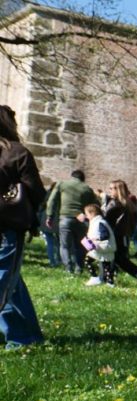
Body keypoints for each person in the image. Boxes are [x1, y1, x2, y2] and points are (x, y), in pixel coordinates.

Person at [0, 104, 48, 350]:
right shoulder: (17, 152)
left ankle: (25, 336)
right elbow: (37, 191)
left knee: (13, 282)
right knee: (4, 278)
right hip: (7, 225)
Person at [44, 168, 98, 274]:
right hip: (81, 220)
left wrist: (49, 216)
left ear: (72, 176)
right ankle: (79, 268)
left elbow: (51, 200)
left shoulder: (62, 184)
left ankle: (68, 268)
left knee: (64, 245)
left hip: (65, 218)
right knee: (81, 246)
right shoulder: (87, 188)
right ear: (83, 179)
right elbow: (95, 206)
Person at [102, 180, 137, 287]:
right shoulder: (128, 203)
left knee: (119, 259)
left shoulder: (116, 204)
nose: (109, 190)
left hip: (117, 234)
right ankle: (109, 278)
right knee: (116, 258)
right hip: (124, 235)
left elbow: (106, 217)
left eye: (111, 188)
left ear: (117, 190)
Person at [81, 203, 116, 286]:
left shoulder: (99, 222)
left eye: (87, 214)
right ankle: (109, 282)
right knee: (106, 266)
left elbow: (105, 235)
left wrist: (95, 239)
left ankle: (95, 278)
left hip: (103, 247)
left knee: (88, 261)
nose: (86, 216)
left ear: (92, 213)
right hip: (102, 247)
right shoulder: (97, 221)